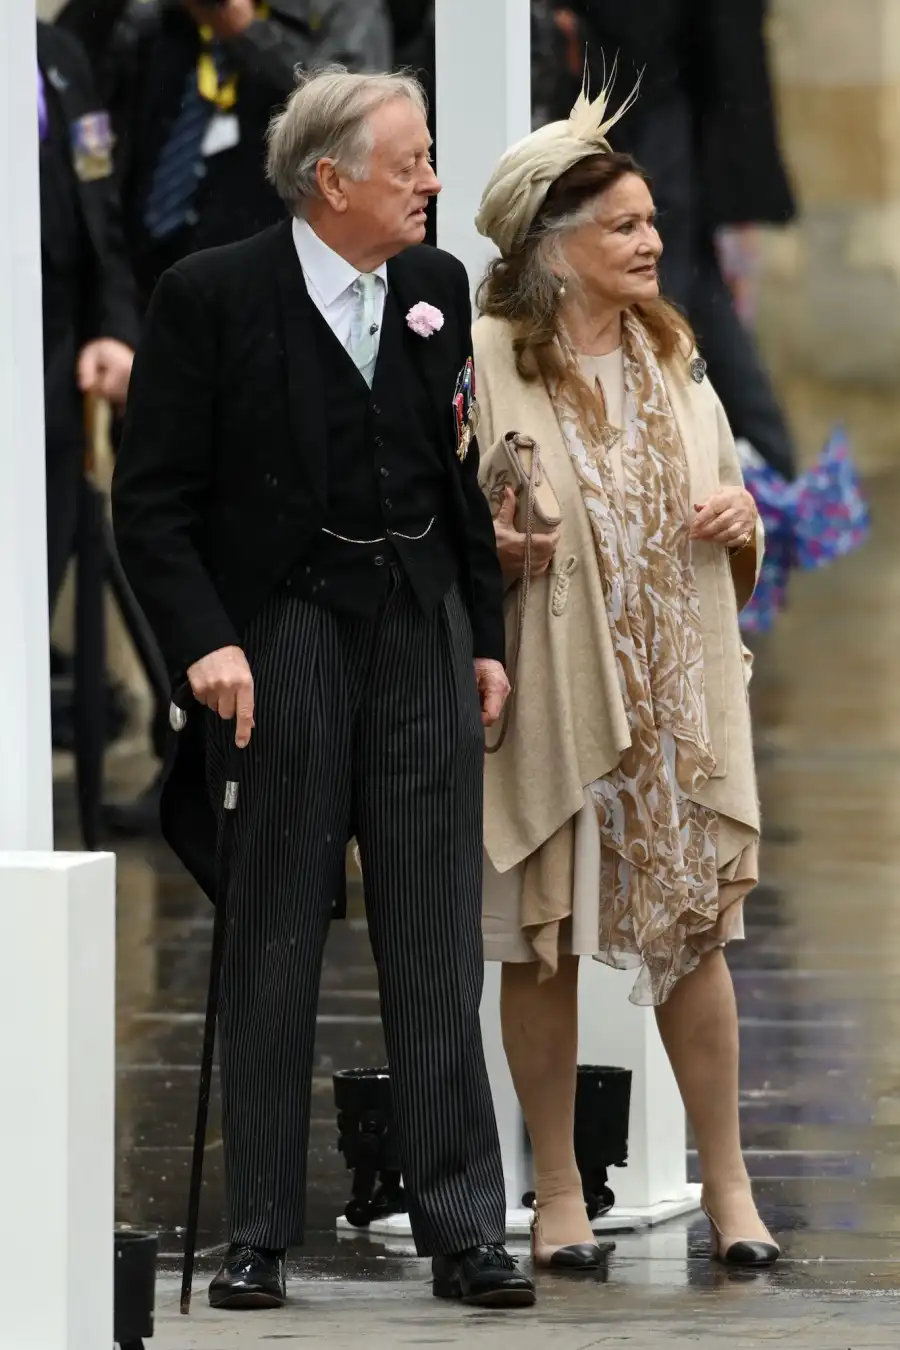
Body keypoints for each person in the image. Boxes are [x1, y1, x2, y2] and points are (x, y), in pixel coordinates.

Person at [112, 67, 535, 1312]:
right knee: (274, 940)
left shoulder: (434, 289)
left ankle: (462, 1223)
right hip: (279, 643)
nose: (433, 183)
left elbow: (457, 478)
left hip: (417, 634)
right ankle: (255, 1231)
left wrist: (485, 634)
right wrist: (204, 643)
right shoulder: (209, 297)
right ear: (332, 178)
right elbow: (152, 507)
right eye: (411, 163)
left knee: (431, 938)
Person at [470, 82, 780, 1272]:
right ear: (554, 248)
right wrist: (489, 546)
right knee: (538, 940)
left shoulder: (673, 348)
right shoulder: (492, 358)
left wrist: (740, 512)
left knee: (696, 939)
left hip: (678, 692)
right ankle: (555, 1195)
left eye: (652, 221)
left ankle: (733, 1189)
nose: (652, 241)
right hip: (551, 685)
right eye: (624, 227)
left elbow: (728, 494)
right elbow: (452, 516)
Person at [54, 0, 394, 835]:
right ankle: (188, 752)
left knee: (257, 535)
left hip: (279, 311)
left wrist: (244, 29)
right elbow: (99, 141)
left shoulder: (332, 15)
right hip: (157, 308)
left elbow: (349, 135)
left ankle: (288, 762)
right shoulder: (149, 26)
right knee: (164, 526)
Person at [572, 0, 797, 480]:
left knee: (673, 303)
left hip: (679, 120)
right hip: (670, 115)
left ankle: (755, 473)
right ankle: (760, 467)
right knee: (686, 301)